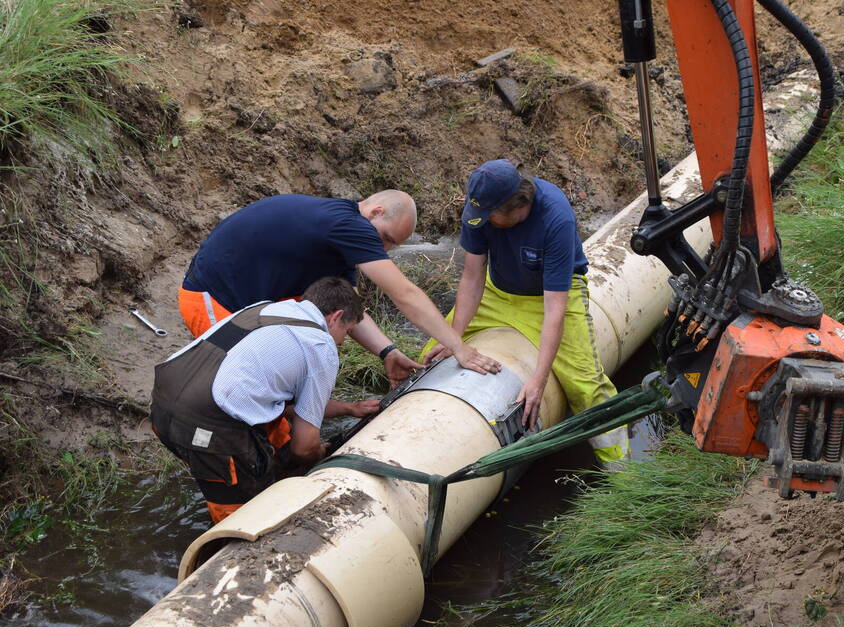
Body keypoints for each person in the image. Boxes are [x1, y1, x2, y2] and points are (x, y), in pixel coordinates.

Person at [422, 160, 629, 467]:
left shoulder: (555, 218)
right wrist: (455, 338)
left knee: (586, 386)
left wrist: (538, 379)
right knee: (432, 352)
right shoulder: (480, 211)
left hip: (555, 294)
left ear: (520, 207)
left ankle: (622, 471)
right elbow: (472, 276)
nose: (483, 221)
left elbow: (554, 309)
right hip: (498, 291)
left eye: (491, 217)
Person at [177, 190, 501, 382]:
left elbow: (347, 310)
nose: (383, 250)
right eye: (385, 238)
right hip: (214, 297)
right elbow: (403, 293)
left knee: (276, 386)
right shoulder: (348, 224)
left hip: (255, 304)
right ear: (375, 211)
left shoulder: (340, 242)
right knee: (252, 383)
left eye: (392, 246)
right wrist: (459, 347)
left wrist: (387, 352)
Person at [151, 276, 379, 523]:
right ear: (336, 317)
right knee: (244, 517)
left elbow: (281, 403)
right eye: (346, 331)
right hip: (208, 425)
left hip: (161, 406)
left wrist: (349, 408)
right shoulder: (320, 344)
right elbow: (304, 447)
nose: (342, 341)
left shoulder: (268, 308)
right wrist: (321, 456)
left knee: (268, 450)